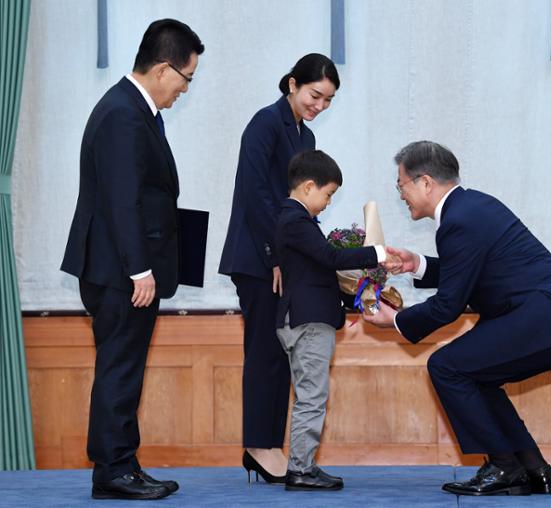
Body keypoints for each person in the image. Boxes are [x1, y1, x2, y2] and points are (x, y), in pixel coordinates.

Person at [363, 140, 551, 496]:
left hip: (546, 317)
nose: (401, 196)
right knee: (477, 376)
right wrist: (418, 264)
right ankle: (533, 469)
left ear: (425, 182)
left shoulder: (458, 220)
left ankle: (503, 466)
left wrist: (396, 321)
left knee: (447, 366)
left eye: (402, 186)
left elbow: (448, 306)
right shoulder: (471, 207)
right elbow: (470, 270)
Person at [60, 19, 204, 500]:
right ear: (164, 69)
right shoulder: (124, 113)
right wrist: (139, 268)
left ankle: (122, 464)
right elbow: (122, 200)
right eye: (187, 78)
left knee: (123, 368)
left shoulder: (130, 109)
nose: (185, 89)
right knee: (120, 369)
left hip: (122, 267)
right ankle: (113, 471)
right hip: (121, 272)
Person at [218, 54, 340, 482]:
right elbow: (256, 196)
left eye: (327, 100)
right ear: (292, 83)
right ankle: (259, 446)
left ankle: (269, 446)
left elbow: (299, 206)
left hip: (282, 261)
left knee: (279, 355)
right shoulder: (264, 123)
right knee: (265, 353)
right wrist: (274, 256)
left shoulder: (303, 135)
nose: (319, 105)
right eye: (314, 95)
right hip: (257, 258)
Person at [275, 150, 388, 490]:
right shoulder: (294, 220)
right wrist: (378, 253)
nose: (327, 202)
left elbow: (320, 263)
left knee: (312, 394)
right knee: (312, 395)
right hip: (307, 320)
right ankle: (300, 469)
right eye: (328, 194)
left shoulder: (297, 220)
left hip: (309, 318)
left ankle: (305, 464)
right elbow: (329, 257)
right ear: (309, 187)